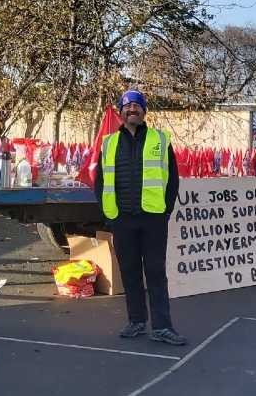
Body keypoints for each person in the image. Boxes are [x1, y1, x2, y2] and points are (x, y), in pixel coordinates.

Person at [94, 90, 186, 345]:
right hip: (122, 218)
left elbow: (173, 180)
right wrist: (108, 215)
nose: (132, 109)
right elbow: (100, 181)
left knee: (155, 272)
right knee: (130, 272)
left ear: (144, 111)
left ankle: (162, 327)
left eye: (137, 105)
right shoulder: (108, 143)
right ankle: (136, 321)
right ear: (121, 112)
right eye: (127, 106)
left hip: (153, 219)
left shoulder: (160, 139)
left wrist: (165, 211)